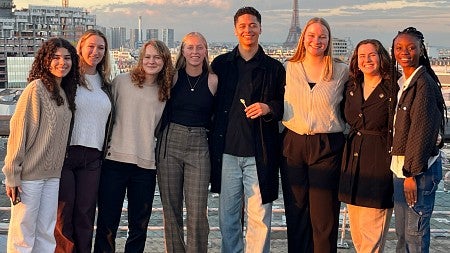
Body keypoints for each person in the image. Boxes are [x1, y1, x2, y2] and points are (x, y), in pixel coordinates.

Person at [209, 6, 285, 253]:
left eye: (252, 25)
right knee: (227, 220)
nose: (248, 30)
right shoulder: (221, 64)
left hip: (259, 154)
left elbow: (285, 106)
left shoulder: (275, 68)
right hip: (227, 153)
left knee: (259, 220)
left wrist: (267, 107)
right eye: (242, 25)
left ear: (260, 28)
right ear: (235, 30)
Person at [93, 40, 173, 253]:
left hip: (145, 166)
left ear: (165, 61)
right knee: (107, 223)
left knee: (139, 226)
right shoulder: (121, 82)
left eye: (157, 57)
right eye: (147, 57)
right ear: (140, 59)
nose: (151, 61)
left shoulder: (165, 92)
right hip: (114, 162)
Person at [2, 38, 79, 252]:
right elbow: (18, 133)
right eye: (55, 57)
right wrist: (12, 175)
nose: (62, 62)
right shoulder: (35, 89)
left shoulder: (64, 92)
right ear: (45, 61)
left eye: (67, 58)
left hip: (52, 175)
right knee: (22, 235)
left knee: (46, 232)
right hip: (29, 176)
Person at [281, 17, 349, 253]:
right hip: (293, 143)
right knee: (296, 211)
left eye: (322, 36)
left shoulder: (341, 70)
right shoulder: (288, 68)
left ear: (329, 40)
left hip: (328, 145)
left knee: (325, 217)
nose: (316, 40)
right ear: (303, 38)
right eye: (311, 35)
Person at [156, 32, 217, 253]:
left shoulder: (213, 80)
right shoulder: (172, 76)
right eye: (190, 47)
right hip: (170, 141)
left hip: (200, 143)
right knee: (170, 209)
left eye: (199, 47)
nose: (194, 52)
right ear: (182, 51)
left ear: (206, 50)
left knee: (198, 209)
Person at [55, 29, 113, 253]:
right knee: (63, 216)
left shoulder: (106, 84)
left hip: (94, 158)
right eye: (91, 46)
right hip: (66, 156)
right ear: (79, 48)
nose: (95, 51)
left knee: (86, 216)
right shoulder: (67, 79)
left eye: (101, 47)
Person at [338, 39, 397, 252]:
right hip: (353, 163)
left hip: (379, 160)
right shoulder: (352, 86)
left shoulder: (394, 87)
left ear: (381, 57)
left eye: (372, 55)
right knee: (357, 233)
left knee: (372, 235)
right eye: (362, 56)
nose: (367, 60)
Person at [390, 27, 445, 253]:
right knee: (405, 234)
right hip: (402, 169)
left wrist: (411, 173)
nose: (405, 52)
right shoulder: (406, 80)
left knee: (414, 235)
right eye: (399, 47)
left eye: (411, 47)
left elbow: (421, 131)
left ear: (421, 50)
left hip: (416, 173)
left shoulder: (423, 85)